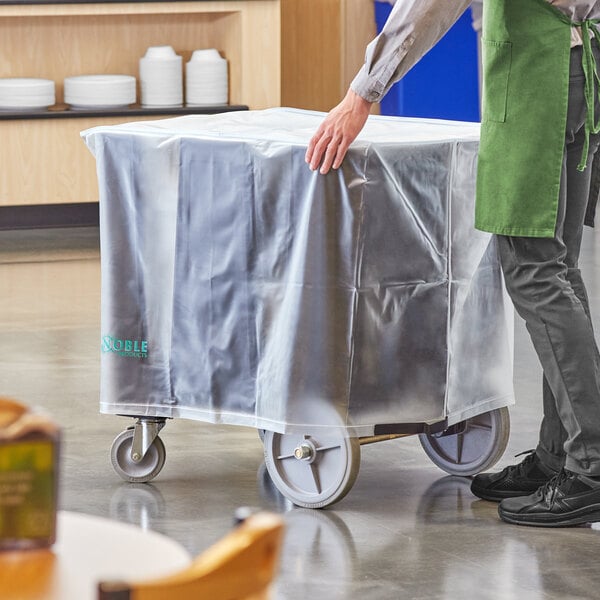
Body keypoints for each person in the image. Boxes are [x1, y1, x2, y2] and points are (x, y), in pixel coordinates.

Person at [305, 0, 600, 527]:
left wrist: (362, 93)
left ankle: (592, 467)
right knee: (558, 266)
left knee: (537, 270)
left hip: (536, 77)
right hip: (579, 70)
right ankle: (562, 456)